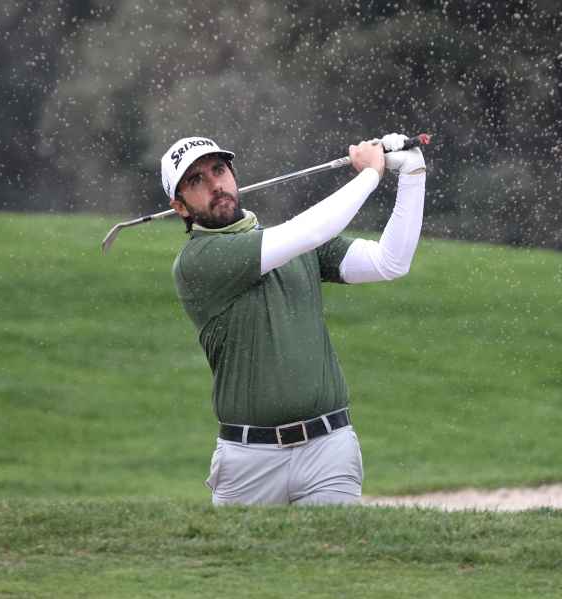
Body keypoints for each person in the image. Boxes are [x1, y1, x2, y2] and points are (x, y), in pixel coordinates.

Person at [164, 133, 426, 505]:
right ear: (181, 207)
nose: (214, 185)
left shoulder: (292, 243)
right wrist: (370, 174)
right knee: (242, 565)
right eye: (195, 181)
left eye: (218, 170)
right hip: (247, 462)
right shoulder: (197, 263)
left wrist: (413, 176)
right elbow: (310, 230)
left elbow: (390, 262)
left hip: (328, 449)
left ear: (233, 175)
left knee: (334, 560)